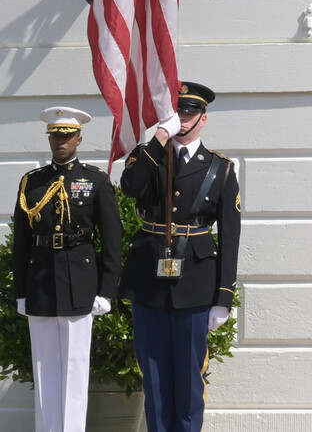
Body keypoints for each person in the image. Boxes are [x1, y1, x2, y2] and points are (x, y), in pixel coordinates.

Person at [119, 81, 241, 432]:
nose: (182, 119)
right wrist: (160, 136)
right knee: (153, 376)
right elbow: (130, 187)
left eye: (189, 112)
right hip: (148, 281)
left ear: (204, 118)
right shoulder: (148, 157)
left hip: (195, 283)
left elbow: (230, 237)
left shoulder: (221, 168)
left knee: (189, 378)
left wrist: (223, 297)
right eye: (177, 112)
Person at [12, 105, 123, 432]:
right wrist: (21, 291)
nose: (61, 141)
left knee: (75, 368)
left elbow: (112, 240)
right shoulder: (31, 182)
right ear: (49, 139)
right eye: (55, 135)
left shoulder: (94, 180)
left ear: (79, 139)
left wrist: (106, 291)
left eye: (67, 135)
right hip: (42, 281)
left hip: (80, 281)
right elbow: (21, 242)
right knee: (44, 367)